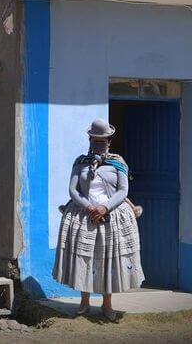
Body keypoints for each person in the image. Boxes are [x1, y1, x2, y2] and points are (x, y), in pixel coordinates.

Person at [53, 119, 144, 321]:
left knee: (108, 259)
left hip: (111, 216)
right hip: (85, 215)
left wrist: (105, 207)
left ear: (109, 140)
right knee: (85, 259)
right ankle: (84, 301)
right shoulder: (80, 163)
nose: (99, 142)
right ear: (90, 139)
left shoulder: (118, 163)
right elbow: (73, 189)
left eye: (103, 139)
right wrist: (89, 207)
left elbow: (123, 190)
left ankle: (107, 304)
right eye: (95, 139)